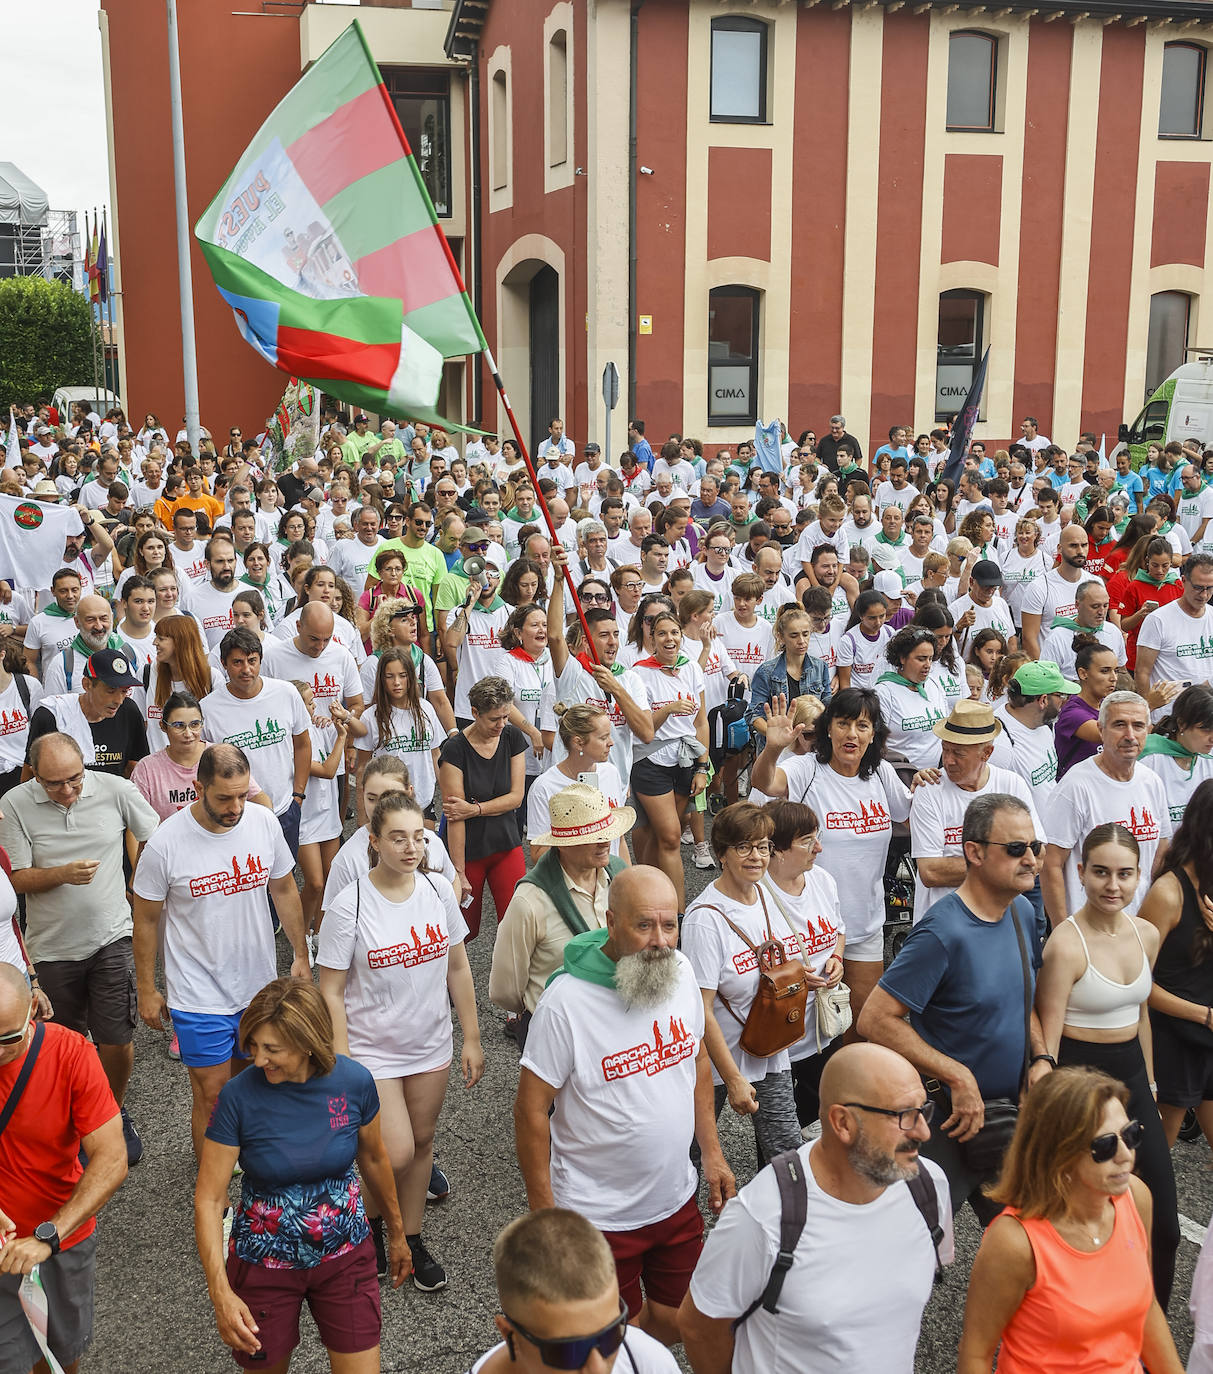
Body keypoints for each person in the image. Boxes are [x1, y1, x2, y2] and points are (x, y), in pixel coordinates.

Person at [515, 865, 734, 1345]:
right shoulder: (565, 1004)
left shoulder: (680, 972)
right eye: (644, 925)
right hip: (598, 1216)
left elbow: (696, 1060)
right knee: (612, 1340)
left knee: (682, 1326)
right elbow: (531, 1110)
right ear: (611, 922)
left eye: (670, 924)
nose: (660, 940)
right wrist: (545, 1215)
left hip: (675, 1199)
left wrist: (712, 1151)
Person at [678, 1043, 953, 1374]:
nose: (923, 1131)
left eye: (923, 1111)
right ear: (843, 1122)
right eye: (904, 1116)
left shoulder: (928, 1186)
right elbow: (699, 1327)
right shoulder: (763, 1216)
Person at [195, 978, 409, 1370]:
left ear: (309, 1041)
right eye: (254, 1046)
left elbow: (375, 1159)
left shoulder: (354, 1082)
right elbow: (209, 1198)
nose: (258, 1060)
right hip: (263, 1266)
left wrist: (397, 1234)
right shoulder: (237, 1097)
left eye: (272, 1049)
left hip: (346, 1258)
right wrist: (220, 1293)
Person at [318, 790, 483, 1293]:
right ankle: (374, 1226)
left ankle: (410, 1236)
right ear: (373, 841)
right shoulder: (351, 904)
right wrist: (342, 1060)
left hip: (430, 1042)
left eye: (418, 837)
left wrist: (471, 1036)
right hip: (372, 1052)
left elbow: (457, 965)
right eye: (397, 838)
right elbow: (329, 988)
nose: (411, 847)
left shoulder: (436, 891)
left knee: (424, 1142)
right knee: (397, 1151)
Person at [859, 794, 1050, 1222]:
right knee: (909, 1251)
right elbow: (874, 1018)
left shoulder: (1021, 911)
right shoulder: (942, 932)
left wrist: (1040, 1057)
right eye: (1016, 849)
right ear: (974, 852)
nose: (1032, 860)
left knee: (1026, 1245)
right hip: (944, 1123)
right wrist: (956, 1074)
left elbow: (1024, 997)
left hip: (1003, 1120)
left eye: (1034, 847)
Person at [133, 743, 309, 1159]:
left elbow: (284, 887)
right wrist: (146, 988)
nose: (235, 808)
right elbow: (145, 920)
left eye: (242, 795)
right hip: (198, 994)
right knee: (212, 1096)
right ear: (199, 788)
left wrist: (301, 953)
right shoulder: (164, 843)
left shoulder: (264, 823)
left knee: (257, 1083)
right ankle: (216, 1197)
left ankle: (252, 1163)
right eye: (223, 798)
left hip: (257, 989)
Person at [956, 1067, 1184, 1374]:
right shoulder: (1015, 1243)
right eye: (1104, 1146)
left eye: (1130, 1135)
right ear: (1058, 1154)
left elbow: (1148, 1310)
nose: (1125, 1155)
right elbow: (975, 1356)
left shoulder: (1135, 1197)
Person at [1033, 823, 1176, 1305]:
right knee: (1076, 1219)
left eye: (1124, 874)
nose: (1112, 886)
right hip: (1079, 1083)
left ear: (1140, 877)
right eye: (1100, 873)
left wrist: (1151, 1087)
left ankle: (1143, 1332)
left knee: (1165, 1224)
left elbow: (1142, 1016)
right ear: (1081, 873)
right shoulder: (1065, 944)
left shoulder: (1148, 935)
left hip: (1133, 1076)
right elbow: (1047, 1042)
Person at [0, 732, 159, 1166]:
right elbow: (14, 879)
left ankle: (110, 1113)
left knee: (117, 1040)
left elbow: (156, 837)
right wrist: (63, 874)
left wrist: (139, 881)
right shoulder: (14, 803)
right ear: (33, 775)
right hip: (51, 949)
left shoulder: (114, 789)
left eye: (75, 778)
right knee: (63, 1046)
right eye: (54, 784)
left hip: (111, 936)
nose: (68, 791)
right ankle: (76, 1121)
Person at [751, 688, 911, 1025]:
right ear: (828, 728)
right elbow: (766, 782)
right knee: (806, 1026)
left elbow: (910, 814)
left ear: (873, 733)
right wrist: (773, 749)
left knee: (861, 1024)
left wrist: (928, 784)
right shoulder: (807, 769)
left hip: (866, 923)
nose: (852, 734)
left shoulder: (881, 772)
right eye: (843, 723)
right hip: (810, 926)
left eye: (862, 726)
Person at [0, 962, 128, 1374]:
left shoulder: (71, 1053)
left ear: (34, 1008)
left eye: (8, 1040)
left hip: (58, 1243)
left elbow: (111, 1158)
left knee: (58, 1356)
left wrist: (50, 1234)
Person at [681, 803, 803, 1164]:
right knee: (689, 1151)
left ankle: (783, 1219)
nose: (757, 857)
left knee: (787, 1153)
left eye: (763, 846)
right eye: (744, 847)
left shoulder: (765, 894)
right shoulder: (705, 919)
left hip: (768, 1047)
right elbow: (700, 1010)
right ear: (721, 853)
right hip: (721, 1059)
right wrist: (732, 1079)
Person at [490, 783, 632, 1042]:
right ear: (564, 844)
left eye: (606, 831)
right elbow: (505, 989)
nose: (604, 841)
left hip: (616, 1025)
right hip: (556, 1033)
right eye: (592, 835)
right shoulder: (529, 900)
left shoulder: (619, 874)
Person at [467, 1208, 680, 1373]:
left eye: (612, 1333)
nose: (598, 1368)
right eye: (569, 1351)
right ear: (509, 1335)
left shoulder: (648, 1362)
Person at [1041, 691, 1172, 926]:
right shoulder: (1076, 786)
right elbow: (1050, 864)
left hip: (1137, 927)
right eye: (1119, 725)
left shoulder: (1152, 781)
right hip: (1086, 931)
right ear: (1101, 730)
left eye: (1138, 726)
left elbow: (1160, 849)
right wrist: (1064, 930)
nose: (1130, 735)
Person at [760, 799, 846, 1128]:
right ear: (777, 849)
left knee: (821, 1119)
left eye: (817, 836)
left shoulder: (822, 880)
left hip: (825, 1027)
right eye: (807, 841)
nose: (819, 847)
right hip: (780, 1039)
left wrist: (837, 957)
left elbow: (838, 929)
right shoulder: (757, 895)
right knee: (779, 1135)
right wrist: (795, 978)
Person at [1139, 780, 1213, 1148]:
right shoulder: (1168, 893)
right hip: (1173, 1038)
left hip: (1207, 1035)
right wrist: (1203, 1015)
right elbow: (1137, 983)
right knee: (1158, 1153)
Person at [201, 627, 311, 856]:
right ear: (223, 663)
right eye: (237, 662)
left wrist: (297, 796)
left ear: (261, 659)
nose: (246, 669)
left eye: (252, 660)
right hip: (235, 818)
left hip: (284, 810)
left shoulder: (286, 693)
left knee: (283, 882)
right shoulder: (208, 709)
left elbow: (302, 743)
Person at [629, 609, 710, 913]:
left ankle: (645, 892)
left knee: (657, 833)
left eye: (674, 633)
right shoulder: (639, 672)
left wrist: (703, 766)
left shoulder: (691, 669)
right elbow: (642, 726)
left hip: (686, 759)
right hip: (651, 760)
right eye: (662, 633)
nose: (669, 639)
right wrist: (670, 708)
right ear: (651, 638)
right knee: (673, 837)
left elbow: (702, 723)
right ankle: (678, 912)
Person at [438, 675, 527, 940]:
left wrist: (475, 809)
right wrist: (459, 872)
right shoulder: (455, 750)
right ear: (475, 713)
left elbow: (516, 798)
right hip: (468, 851)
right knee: (464, 932)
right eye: (494, 719)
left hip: (506, 845)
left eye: (505, 717)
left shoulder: (512, 737)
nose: (501, 725)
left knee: (515, 927)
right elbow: (455, 816)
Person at [131, 690, 270, 821]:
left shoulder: (221, 757)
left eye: (194, 724)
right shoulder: (146, 769)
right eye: (179, 726)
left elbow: (261, 801)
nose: (188, 733)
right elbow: (135, 823)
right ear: (163, 726)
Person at [27, 648, 150, 777]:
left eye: (124, 691)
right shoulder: (51, 715)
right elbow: (29, 776)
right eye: (111, 691)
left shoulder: (129, 711)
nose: (118, 700)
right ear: (87, 684)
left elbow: (136, 768)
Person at [1138, 682, 1213, 825]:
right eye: (1205, 729)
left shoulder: (1209, 761)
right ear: (1182, 724)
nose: (1212, 738)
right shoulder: (1148, 759)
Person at [1054, 637, 1120, 778]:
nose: (1113, 678)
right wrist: (1149, 706)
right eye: (1105, 671)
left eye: (1116, 671)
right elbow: (1111, 736)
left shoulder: (1106, 704)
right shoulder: (1073, 713)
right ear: (1083, 673)